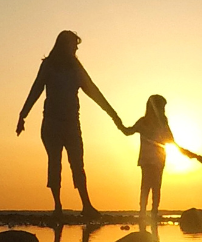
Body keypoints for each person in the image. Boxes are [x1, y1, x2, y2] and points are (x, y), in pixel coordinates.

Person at [17, 31, 124, 220]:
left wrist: (113, 114)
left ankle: (86, 205)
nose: (75, 49)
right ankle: (58, 207)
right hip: (52, 123)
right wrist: (22, 115)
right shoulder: (48, 66)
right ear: (63, 45)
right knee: (54, 163)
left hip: (72, 124)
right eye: (73, 45)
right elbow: (36, 89)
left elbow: (93, 90)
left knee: (77, 164)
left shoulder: (76, 68)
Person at [119, 95, 174, 221]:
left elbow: (128, 131)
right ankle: (149, 212)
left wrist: (121, 126)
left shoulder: (147, 121)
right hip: (153, 159)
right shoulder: (152, 122)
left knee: (148, 186)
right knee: (153, 186)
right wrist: (120, 125)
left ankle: (147, 212)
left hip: (154, 159)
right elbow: (170, 139)